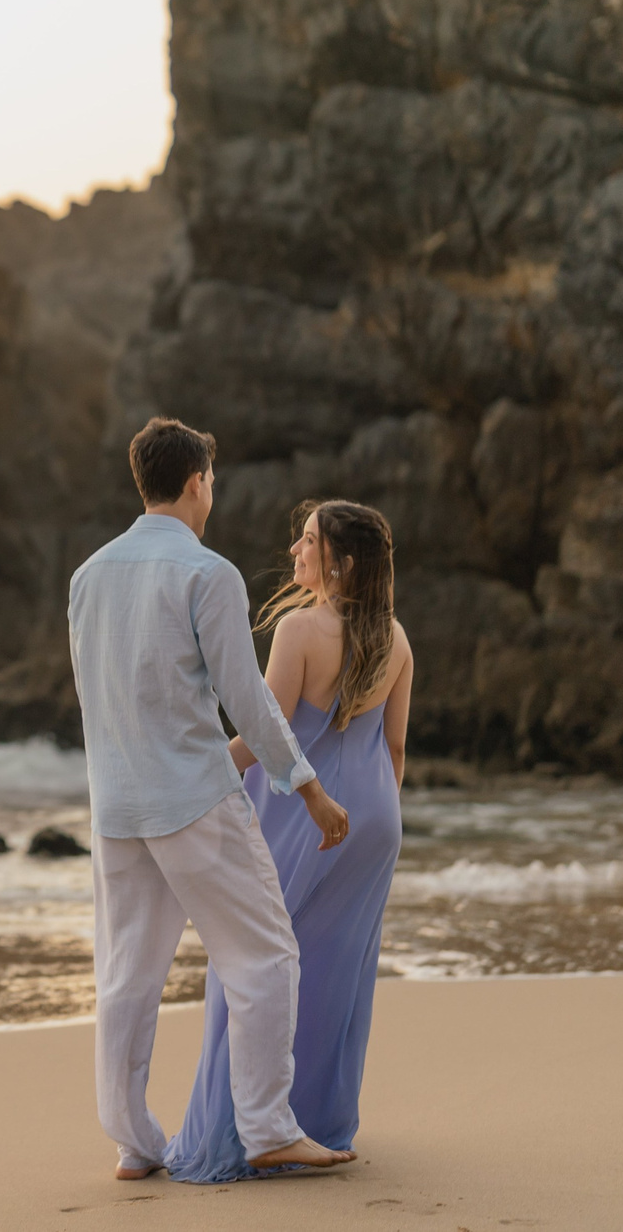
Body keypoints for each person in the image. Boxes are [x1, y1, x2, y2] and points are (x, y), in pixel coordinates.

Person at [68, 418, 358, 1182]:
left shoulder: (88, 575)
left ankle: (134, 1141)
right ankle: (267, 1127)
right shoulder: (208, 572)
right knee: (265, 956)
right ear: (197, 482)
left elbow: (97, 702)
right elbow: (250, 703)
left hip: (117, 810)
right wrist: (308, 787)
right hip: (195, 800)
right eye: (213, 482)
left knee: (127, 979)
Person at [163, 499, 412, 1183]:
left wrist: (188, 772)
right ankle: (321, 1124)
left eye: (308, 541)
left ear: (342, 562)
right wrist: (375, 818)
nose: (295, 550)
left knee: (251, 964)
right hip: (374, 823)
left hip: (303, 815)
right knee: (338, 971)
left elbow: (265, 737)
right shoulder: (397, 638)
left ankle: (244, 1132)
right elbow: (394, 753)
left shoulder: (301, 630)